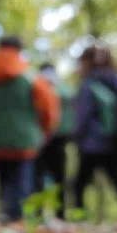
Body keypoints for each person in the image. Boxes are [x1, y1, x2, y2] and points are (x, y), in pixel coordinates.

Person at [0, 36, 58, 222]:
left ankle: (6, 217)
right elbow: (49, 108)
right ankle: (17, 222)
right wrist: (43, 131)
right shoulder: (31, 78)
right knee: (22, 183)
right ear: (19, 50)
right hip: (24, 141)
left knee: (4, 181)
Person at [72, 46, 117, 218]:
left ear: (87, 62)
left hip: (93, 144)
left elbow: (82, 116)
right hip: (116, 143)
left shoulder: (89, 84)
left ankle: (80, 223)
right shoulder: (115, 80)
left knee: (78, 186)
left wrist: (74, 136)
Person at [34, 62, 76, 219]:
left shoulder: (62, 89)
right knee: (37, 179)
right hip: (41, 139)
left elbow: (70, 106)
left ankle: (60, 215)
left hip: (58, 139)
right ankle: (39, 215)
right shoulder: (37, 87)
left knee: (59, 179)